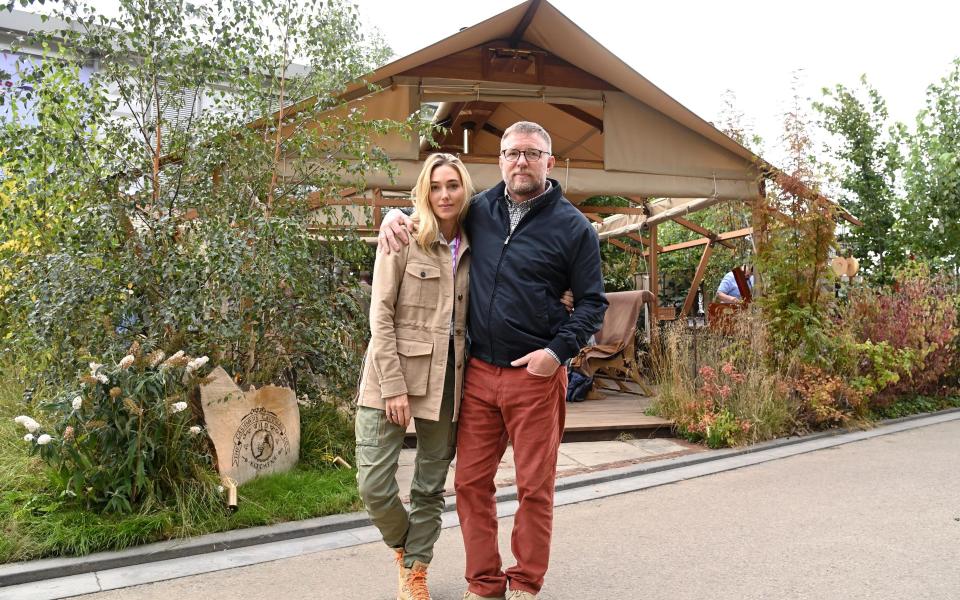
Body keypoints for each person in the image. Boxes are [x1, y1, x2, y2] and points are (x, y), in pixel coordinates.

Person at [379, 121, 608, 600]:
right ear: (499, 161)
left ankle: (524, 581)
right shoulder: (479, 210)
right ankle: (484, 584)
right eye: (510, 153)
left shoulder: (574, 228)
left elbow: (592, 304)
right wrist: (393, 216)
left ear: (550, 160)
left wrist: (555, 353)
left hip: (535, 376)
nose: (519, 162)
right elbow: (433, 213)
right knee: (469, 485)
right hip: (479, 372)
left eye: (530, 152)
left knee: (534, 487)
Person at [356, 153, 473, 600]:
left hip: (447, 379)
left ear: (464, 191)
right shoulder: (402, 237)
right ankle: (406, 548)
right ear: (424, 191)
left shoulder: (477, 243)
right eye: (436, 186)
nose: (445, 194)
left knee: (429, 485)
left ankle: (416, 571)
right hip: (390, 374)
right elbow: (380, 315)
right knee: (373, 485)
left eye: (453, 185)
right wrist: (393, 386)